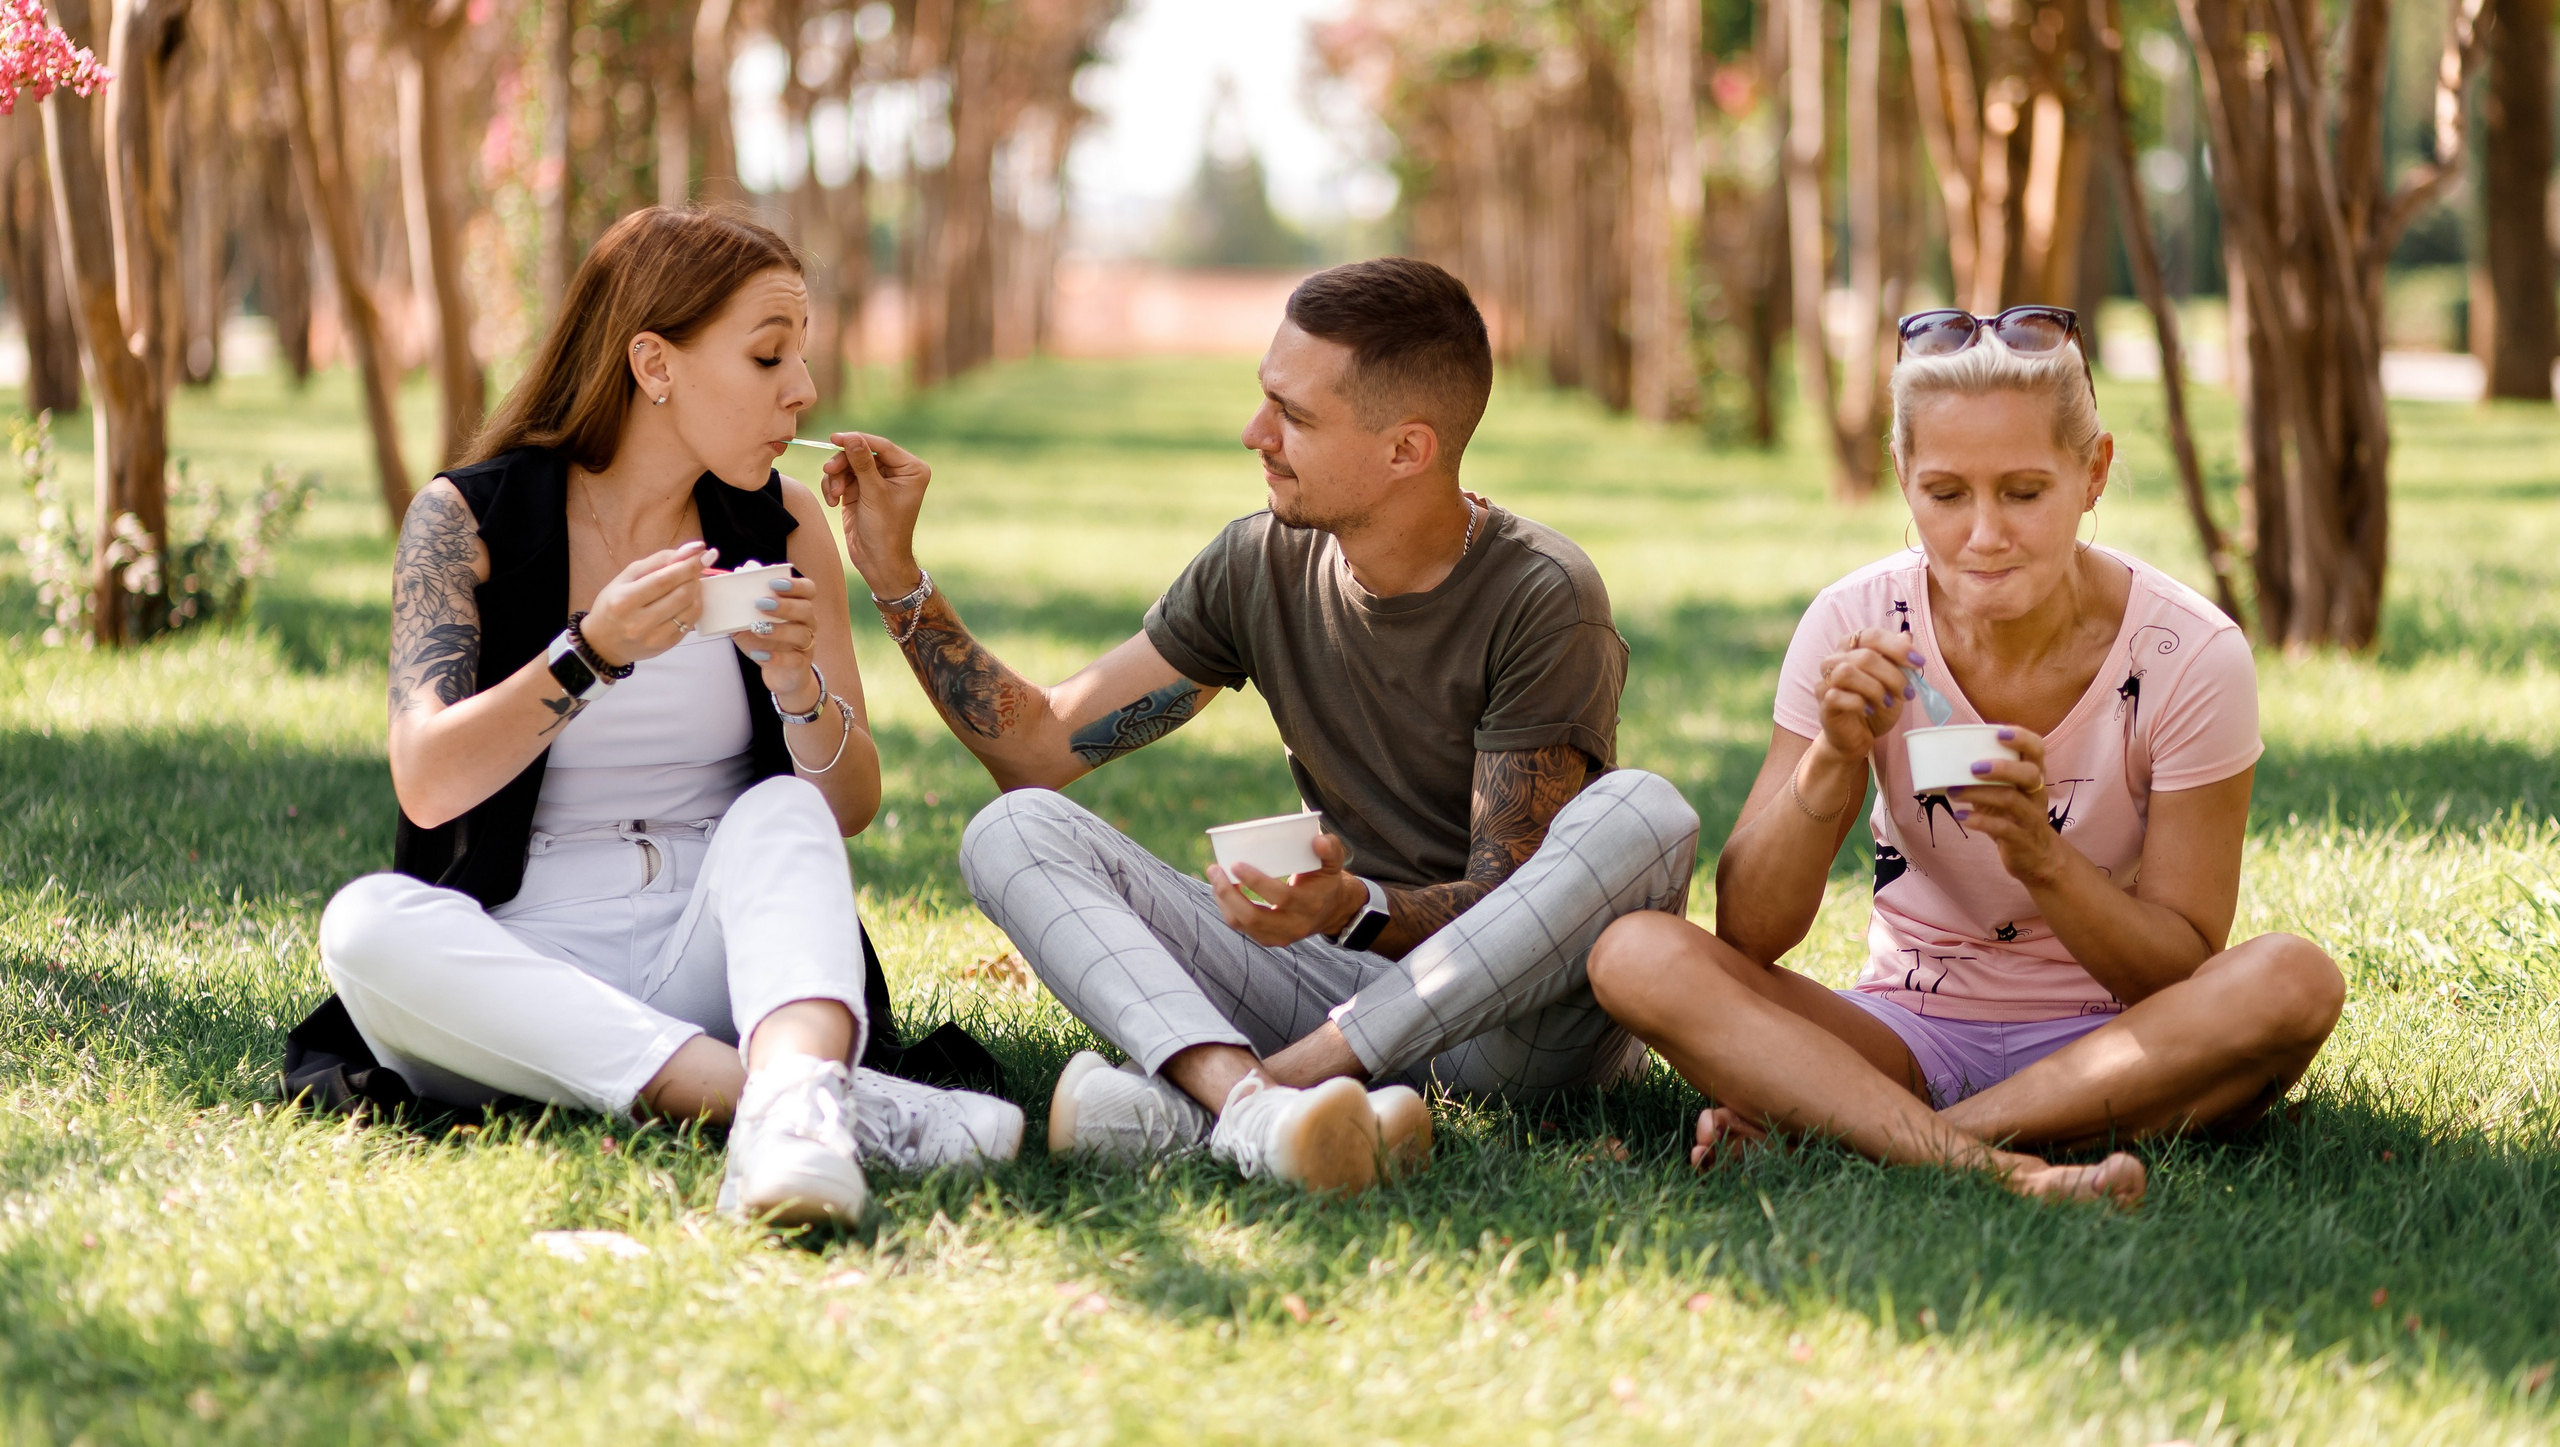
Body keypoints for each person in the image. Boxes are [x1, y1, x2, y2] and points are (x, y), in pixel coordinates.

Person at [815, 257, 1702, 1195]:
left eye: (1296, 417)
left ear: (1408, 450)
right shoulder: (1260, 562)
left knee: (1644, 813)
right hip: (1334, 984)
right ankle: (1251, 1109)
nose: (1255, 435)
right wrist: (895, 577)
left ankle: (1257, 1094)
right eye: (1264, 401)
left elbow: (1512, 906)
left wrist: (1353, 906)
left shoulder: (1543, 595)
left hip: (1511, 1035)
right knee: (1011, 831)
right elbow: (1037, 747)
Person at [306, 207, 1022, 1228]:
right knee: (365, 924)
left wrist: (795, 683)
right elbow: (427, 777)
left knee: (780, 813)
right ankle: (816, 1105)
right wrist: (588, 650)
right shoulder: (463, 519)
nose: (805, 389)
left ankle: (788, 1096)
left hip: (719, 955)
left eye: (801, 355)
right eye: (768, 353)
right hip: (525, 968)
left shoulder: (782, 522)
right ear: (654, 363)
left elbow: (848, 806)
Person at [1586, 305, 2345, 1207]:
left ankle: (1888, 1133)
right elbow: (1750, 933)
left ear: (2092, 473)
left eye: (2023, 492)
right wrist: (1831, 757)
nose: (1984, 535)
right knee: (1633, 953)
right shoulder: (1852, 622)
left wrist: (2044, 859)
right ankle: (1998, 1156)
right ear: (1904, 477)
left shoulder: (2189, 655)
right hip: (1901, 1029)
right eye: (1946, 495)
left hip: (2116, 1040)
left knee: (2294, 979)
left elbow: (2179, 969)